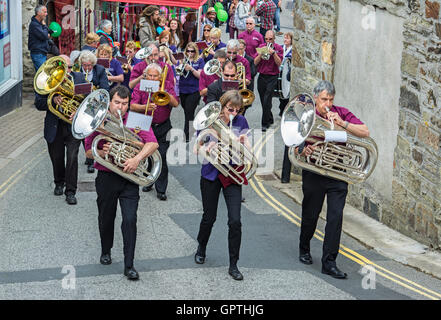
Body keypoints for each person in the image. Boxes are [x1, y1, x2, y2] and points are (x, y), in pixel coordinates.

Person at [85, 85, 159, 281]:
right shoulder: (99, 118)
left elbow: (153, 143)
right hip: (106, 176)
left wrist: (137, 158)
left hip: (128, 178)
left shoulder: (137, 119)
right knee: (106, 217)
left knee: (130, 220)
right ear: (109, 102)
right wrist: (103, 152)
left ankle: (129, 265)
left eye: (125, 104)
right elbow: (87, 152)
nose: (121, 107)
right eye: (117, 102)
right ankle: (106, 249)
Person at [297, 81, 370, 279]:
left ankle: (329, 262)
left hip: (338, 172)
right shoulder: (308, 115)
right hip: (315, 170)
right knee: (311, 214)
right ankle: (304, 248)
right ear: (315, 99)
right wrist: (304, 149)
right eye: (323, 99)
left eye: (330, 99)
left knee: (335, 218)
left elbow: (365, 132)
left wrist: (343, 124)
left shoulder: (341, 112)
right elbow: (295, 145)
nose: (327, 103)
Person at [194, 90, 252, 281]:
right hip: (211, 173)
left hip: (232, 174)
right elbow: (196, 148)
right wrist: (206, 147)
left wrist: (244, 144)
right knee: (209, 217)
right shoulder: (210, 120)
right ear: (222, 106)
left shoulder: (242, 122)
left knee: (235, 221)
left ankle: (234, 264)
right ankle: (201, 246)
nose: (233, 113)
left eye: (237, 110)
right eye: (230, 109)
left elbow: (249, 151)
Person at [34, 55, 81, 205]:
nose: (66, 71)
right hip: (55, 125)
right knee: (57, 157)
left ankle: (71, 191)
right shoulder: (48, 81)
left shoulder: (79, 78)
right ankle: (59, 182)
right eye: (63, 67)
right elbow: (39, 104)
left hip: (73, 125)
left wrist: (78, 111)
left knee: (73, 158)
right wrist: (52, 100)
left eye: (68, 67)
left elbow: (88, 101)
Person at [130, 63, 179, 200]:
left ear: (160, 76)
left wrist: (166, 93)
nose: (152, 78)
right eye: (149, 75)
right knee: (148, 156)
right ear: (146, 75)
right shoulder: (141, 86)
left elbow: (175, 104)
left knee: (161, 157)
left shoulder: (167, 85)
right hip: (145, 126)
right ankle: (149, 180)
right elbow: (132, 106)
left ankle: (161, 189)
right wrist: (144, 107)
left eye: (155, 76)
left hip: (163, 126)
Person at [72, 50, 110, 173]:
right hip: (80, 103)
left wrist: (94, 90)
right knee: (83, 129)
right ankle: (89, 157)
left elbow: (105, 88)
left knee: (93, 129)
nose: (87, 68)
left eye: (89, 65)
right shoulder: (76, 71)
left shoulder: (99, 70)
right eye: (85, 65)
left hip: (95, 103)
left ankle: (92, 159)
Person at [254, 30, 283, 131]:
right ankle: (269, 118)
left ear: (274, 39)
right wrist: (260, 54)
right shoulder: (261, 46)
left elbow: (279, 63)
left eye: (270, 39)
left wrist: (274, 53)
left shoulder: (279, 48)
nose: (268, 41)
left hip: (272, 77)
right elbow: (255, 62)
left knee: (267, 99)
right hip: (262, 76)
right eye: (266, 39)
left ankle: (264, 124)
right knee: (263, 101)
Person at [179, 42, 205, 142]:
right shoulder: (183, 60)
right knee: (186, 112)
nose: (190, 53)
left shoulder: (199, 60)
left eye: (192, 51)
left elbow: (200, 75)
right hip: (183, 89)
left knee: (189, 112)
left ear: (195, 51)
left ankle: (187, 135)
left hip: (194, 90)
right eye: (188, 51)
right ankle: (193, 129)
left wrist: (192, 69)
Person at [28, 5, 51, 71]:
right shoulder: (34, 25)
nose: (46, 14)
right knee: (43, 74)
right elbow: (45, 36)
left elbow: (48, 31)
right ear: (38, 13)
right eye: (45, 12)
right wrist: (44, 26)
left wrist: (44, 27)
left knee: (43, 74)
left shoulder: (40, 23)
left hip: (42, 53)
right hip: (38, 54)